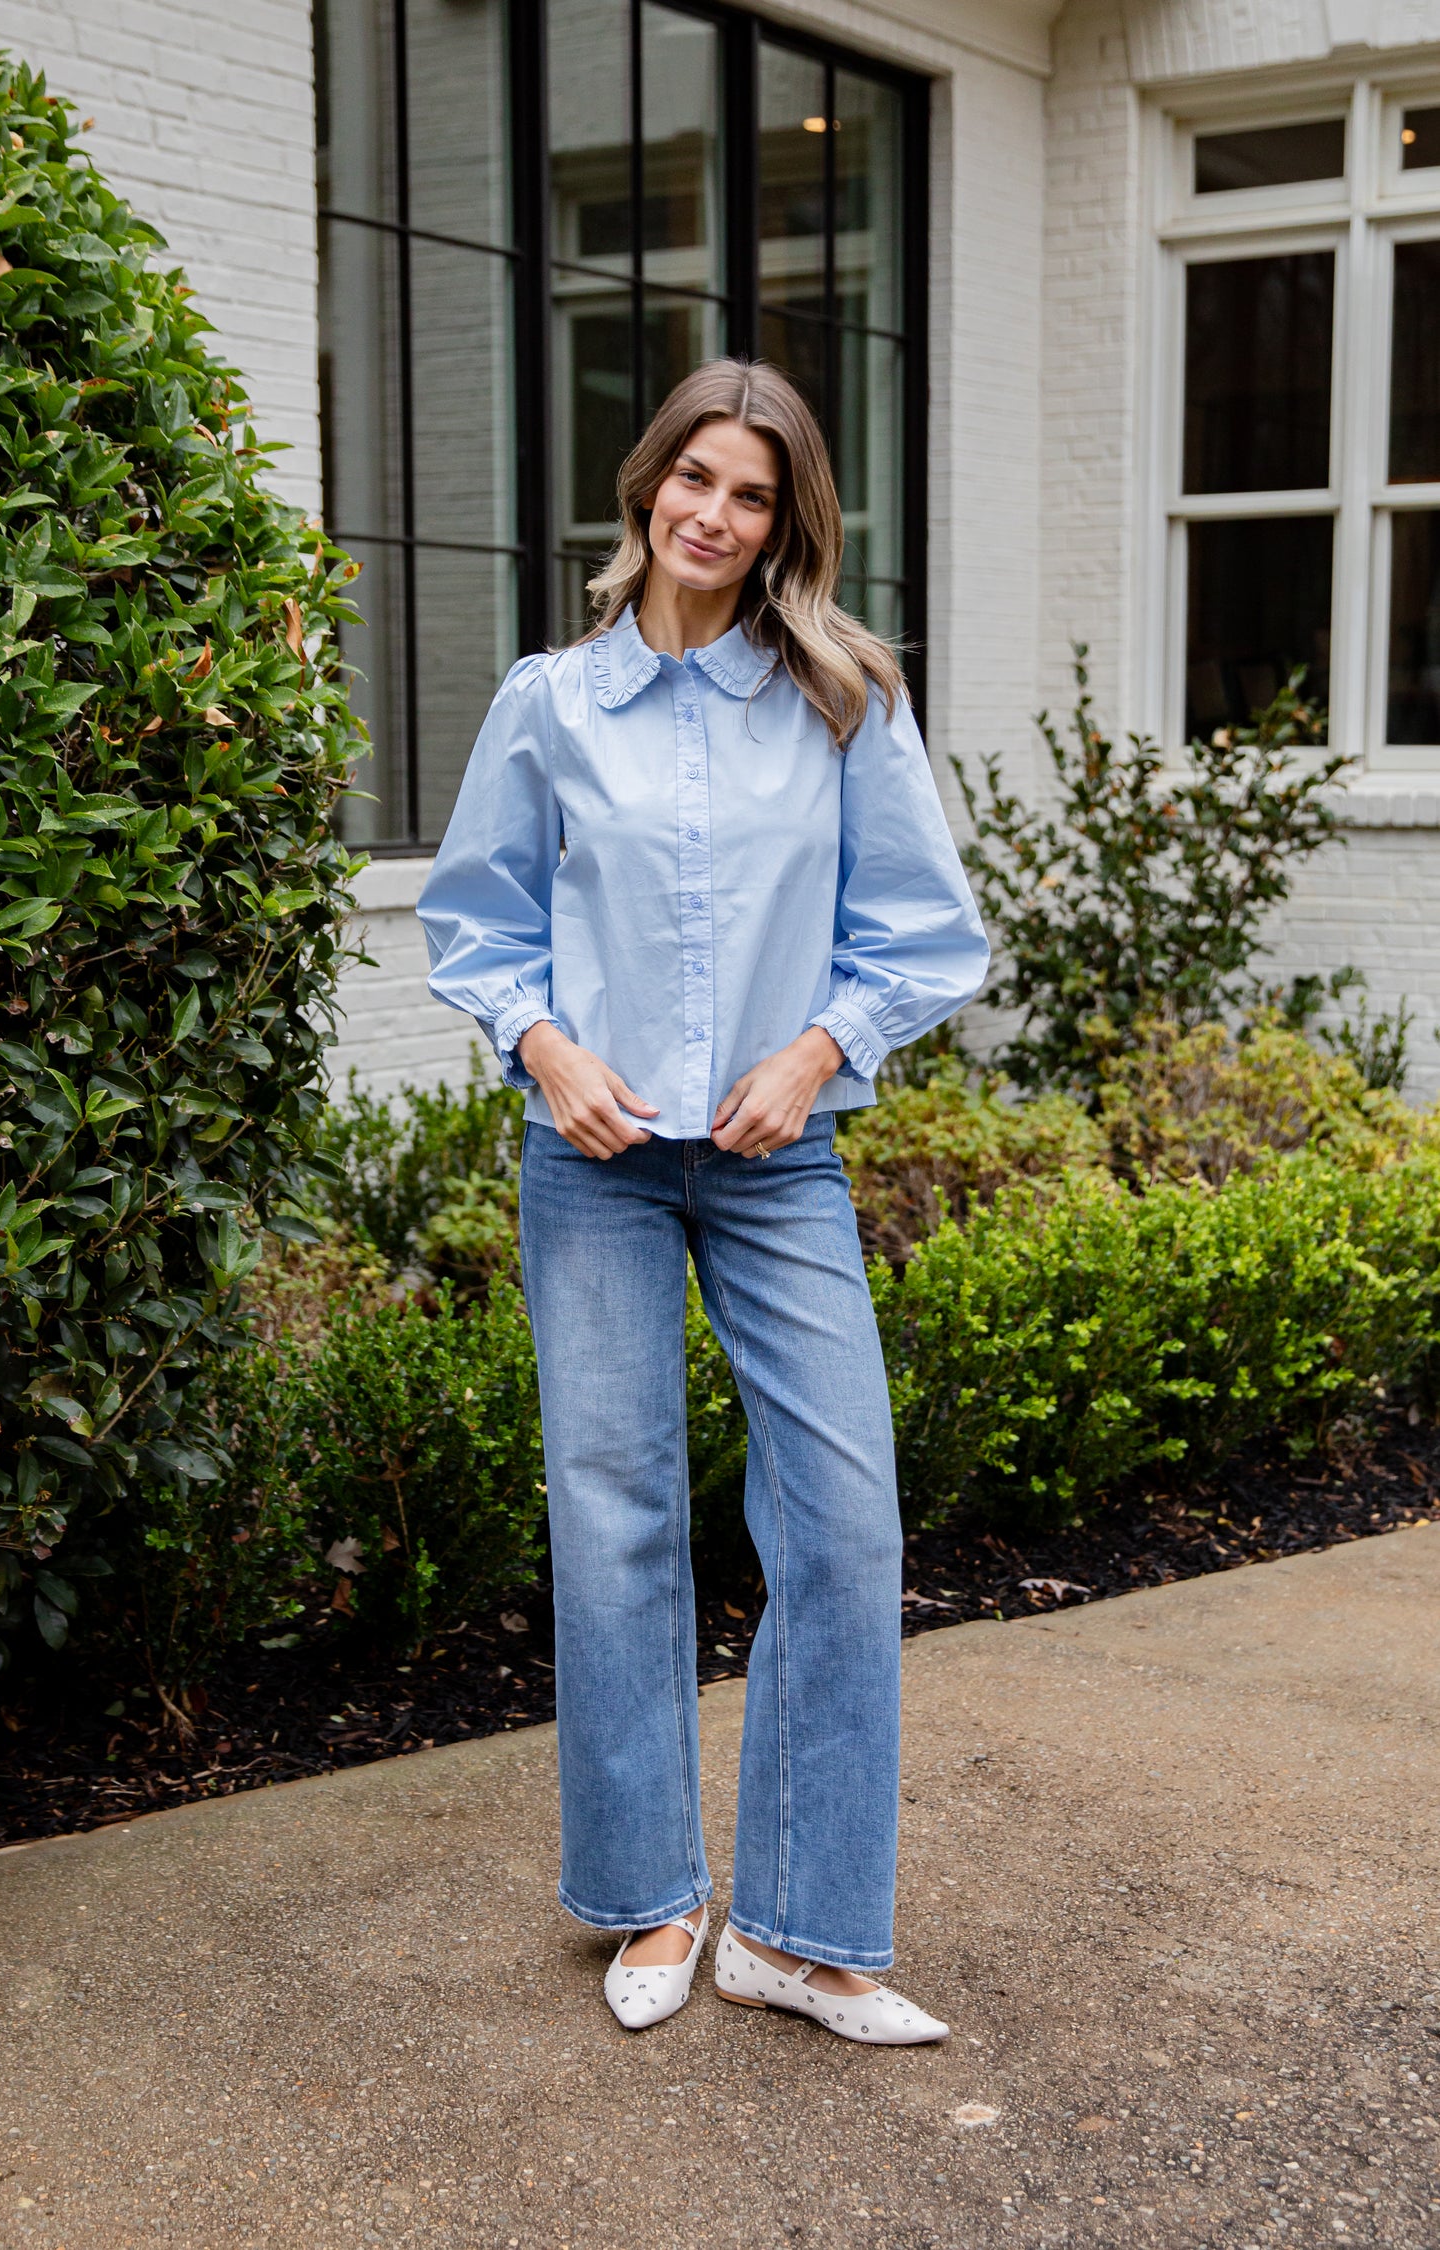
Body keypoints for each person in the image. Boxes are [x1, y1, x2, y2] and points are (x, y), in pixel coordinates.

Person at [417, 358, 989, 2045]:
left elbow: (924, 931)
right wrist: (542, 1047)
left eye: (753, 494)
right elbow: (474, 919)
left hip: (774, 1160)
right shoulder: (550, 703)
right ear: (646, 484)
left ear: (785, 520)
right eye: (696, 480)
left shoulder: (840, 699)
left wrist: (820, 1051)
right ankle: (653, 1897)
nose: (715, 516)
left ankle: (801, 1933)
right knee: (615, 1515)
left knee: (844, 1514)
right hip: (589, 1159)